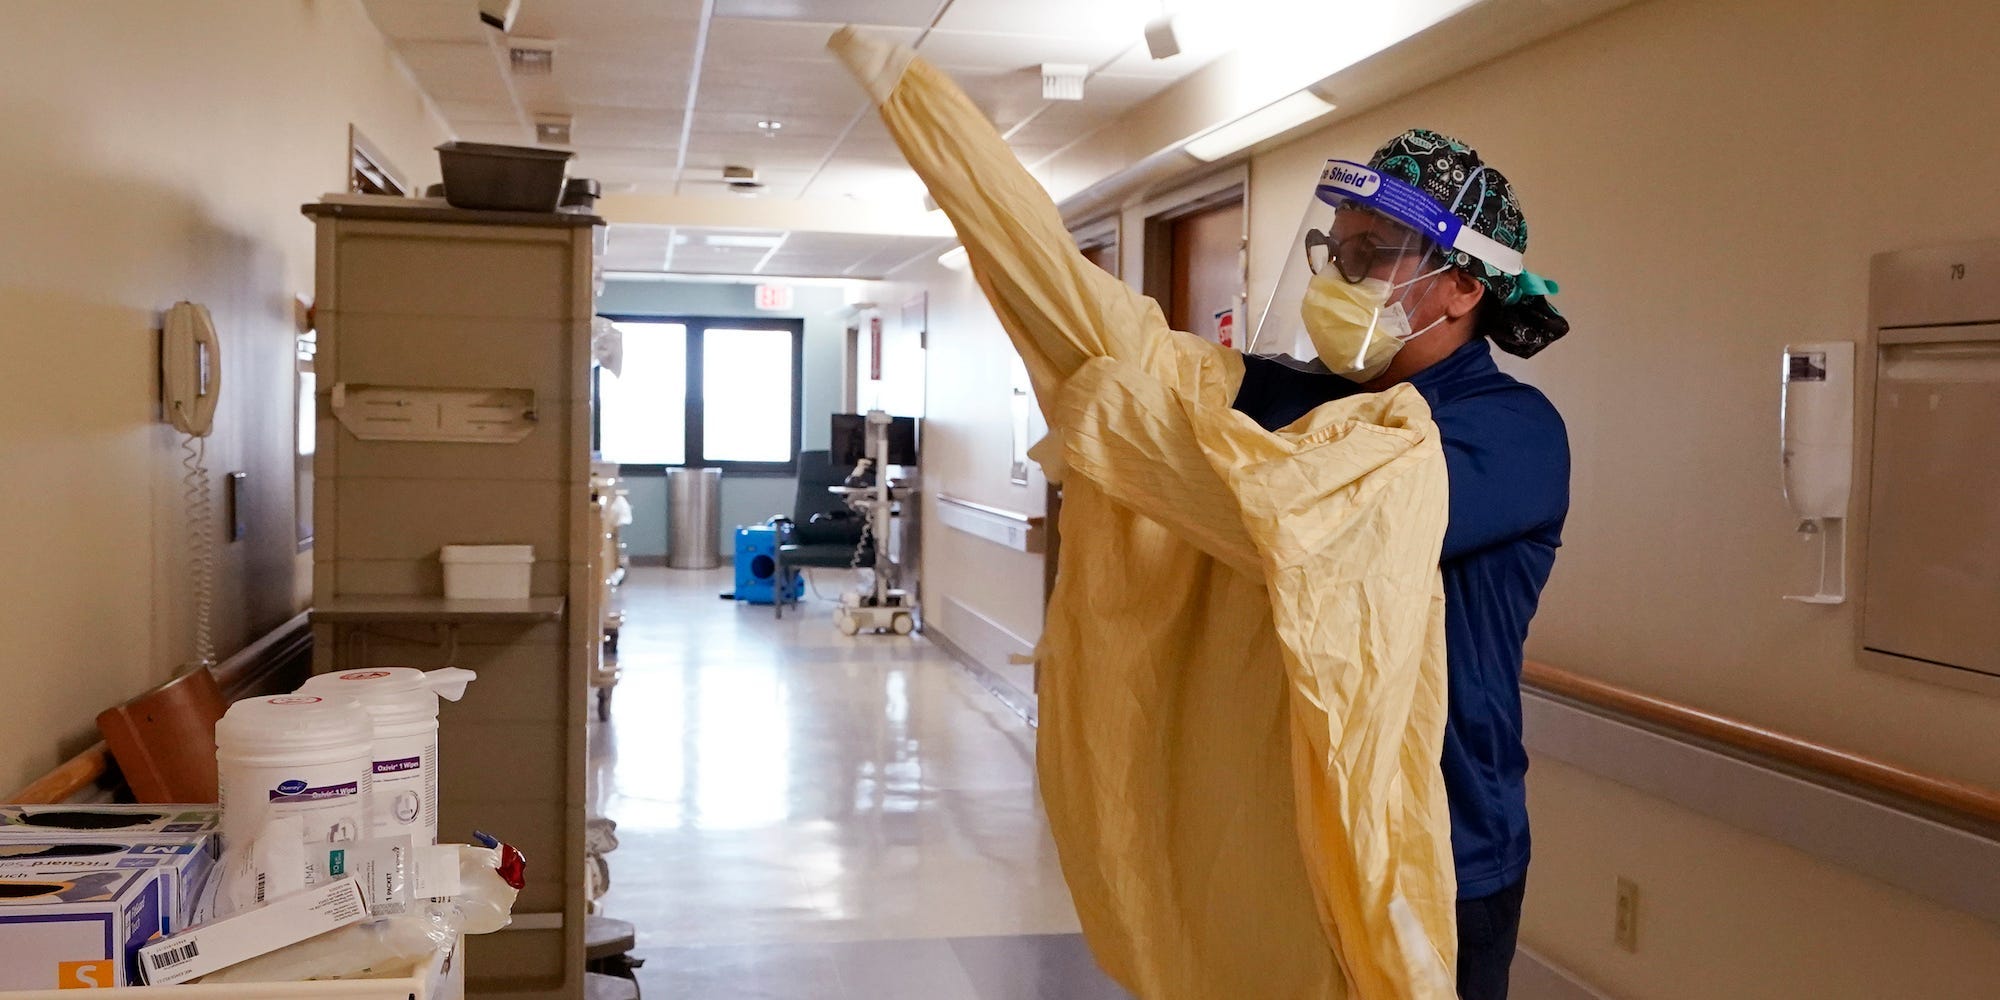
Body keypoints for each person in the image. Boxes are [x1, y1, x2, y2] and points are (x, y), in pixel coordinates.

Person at [1233, 129, 1572, 1000]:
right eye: (1332, 252)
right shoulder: (1303, 396)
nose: (1335, 281)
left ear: (1462, 286)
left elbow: (1329, 524)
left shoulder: (1511, 433)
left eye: (1370, 256)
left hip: (1443, 843)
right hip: (1290, 824)